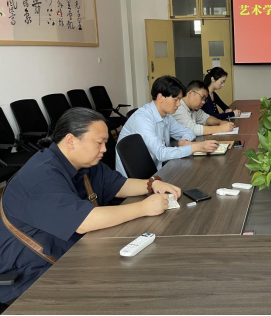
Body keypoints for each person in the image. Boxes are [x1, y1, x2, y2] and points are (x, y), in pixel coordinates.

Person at [0, 108, 182, 306]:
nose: (104, 149)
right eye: (99, 142)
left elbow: (118, 185)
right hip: (31, 275)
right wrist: (144, 208)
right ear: (71, 141)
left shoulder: (84, 163)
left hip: (72, 253)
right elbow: (84, 222)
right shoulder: (41, 176)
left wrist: (152, 185)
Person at [115, 76, 218, 177]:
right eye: (176, 100)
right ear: (160, 97)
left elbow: (188, 131)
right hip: (136, 179)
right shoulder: (142, 119)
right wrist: (196, 147)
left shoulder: (166, 116)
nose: (179, 104)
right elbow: (161, 153)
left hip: (157, 169)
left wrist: (184, 140)